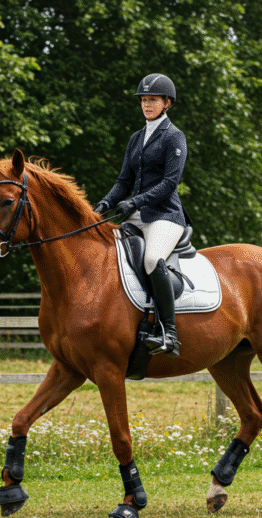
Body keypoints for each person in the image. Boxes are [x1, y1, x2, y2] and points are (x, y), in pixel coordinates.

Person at [93, 73, 187, 356]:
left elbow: (170, 182)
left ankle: (169, 333)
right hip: (137, 215)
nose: (147, 105)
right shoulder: (136, 139)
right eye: (144, 100)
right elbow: (123, 181)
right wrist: (103, 205)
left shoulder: (174, 137)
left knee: (151, 258)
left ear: (166, 103)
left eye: (153, 100)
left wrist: (134, 202)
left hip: (165, 216)